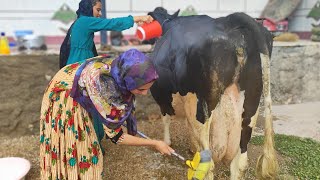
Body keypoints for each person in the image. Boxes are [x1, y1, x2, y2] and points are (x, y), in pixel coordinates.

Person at [40, 49, 173, 179]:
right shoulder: (108, 89)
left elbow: (118, 106)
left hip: (75, 80)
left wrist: (117, 120)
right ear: (127, 81)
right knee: (80, 149)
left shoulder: (122, 68)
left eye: (147, 89)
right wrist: (154, 143)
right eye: (141, 89)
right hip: (64, 95)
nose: (145, 94)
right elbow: (117, 137)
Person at [59, 0, 153, 68]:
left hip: (79, 64)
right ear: (89, 7)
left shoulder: (81, 22)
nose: (100, 14)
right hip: (79, 66)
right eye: (98, 10)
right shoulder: (85, 21)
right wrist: (138, 18)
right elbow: (112, 23)